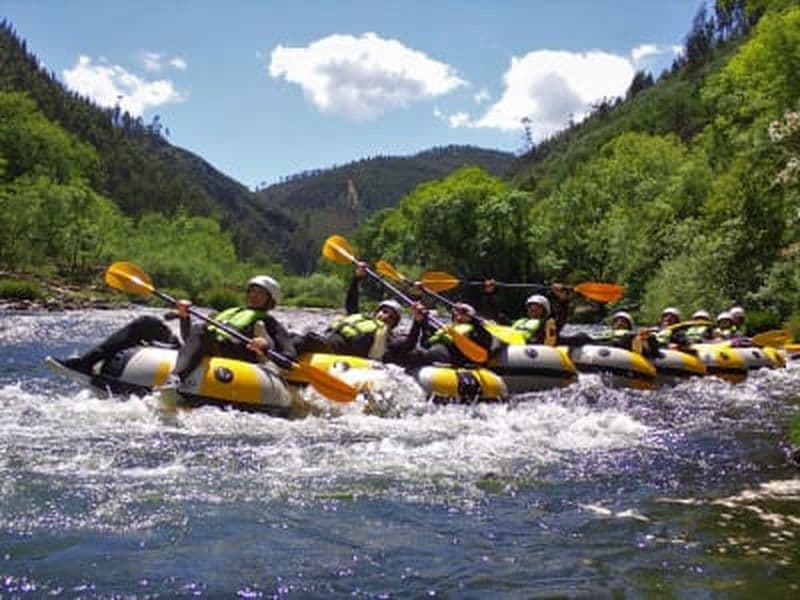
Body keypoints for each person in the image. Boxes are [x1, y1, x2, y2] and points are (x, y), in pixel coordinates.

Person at [166, 275, 295, 386]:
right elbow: (190, 339)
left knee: (200, 329)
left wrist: (265, 347)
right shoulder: (228, 313)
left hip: (239, 356)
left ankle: (176, 378)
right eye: (252, 291)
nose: (254, 295)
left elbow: (289, 354)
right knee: (199, 328)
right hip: (217, 347)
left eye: (261, 293)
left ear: (270, 301)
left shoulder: (270, 322)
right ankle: (176, 376)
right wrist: (184, 317)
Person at [293, 262, 422, 361]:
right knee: (296, 337)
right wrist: (357, 278)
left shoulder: (387, 337)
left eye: (391, 316)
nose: (386, 316)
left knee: (306, 340)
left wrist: (417, 320)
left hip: (336, 349)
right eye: (384, 311)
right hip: (326, 341)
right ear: (375, 312)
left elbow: (408, 344)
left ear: (395, 323)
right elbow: (351, 301)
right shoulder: (360, 317)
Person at [61, 311, 188, 376]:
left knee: (145, 323)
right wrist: (182, 315)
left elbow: (193, 338)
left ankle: (89, 361)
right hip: (183, 345)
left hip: (190, 350)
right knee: (147, 323)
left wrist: (184, 318)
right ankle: (96, 361)